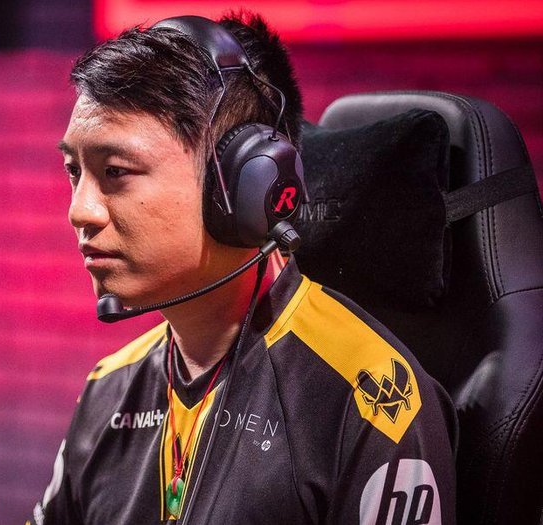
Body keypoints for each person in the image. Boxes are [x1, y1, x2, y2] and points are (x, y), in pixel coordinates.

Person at [29, 11, 457, 525]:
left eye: (115, 171)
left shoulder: (368, 403)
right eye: (74, 171)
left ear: (247, 186)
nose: (79, 210)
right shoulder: (108, 390)